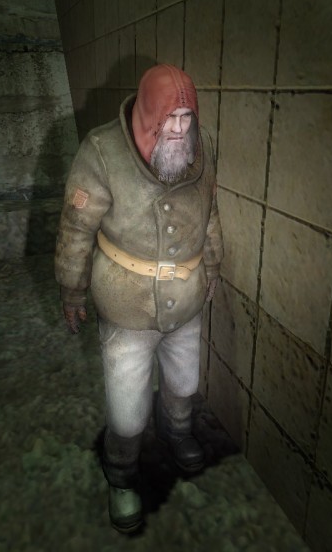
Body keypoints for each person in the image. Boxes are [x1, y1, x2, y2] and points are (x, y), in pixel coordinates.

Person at [54, 63, 224, 533]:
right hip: (125, 305)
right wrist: (72, 286)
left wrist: (212, 264)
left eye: (187, 118)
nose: (179, 129)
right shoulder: (101, 150)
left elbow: (210, 211)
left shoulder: (203, 147)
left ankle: (178, 433)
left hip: (186, 300)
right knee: (127, 408)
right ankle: (122, 473)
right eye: (170, 119)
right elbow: (76, 226)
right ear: (149, 114)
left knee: (184, 383)